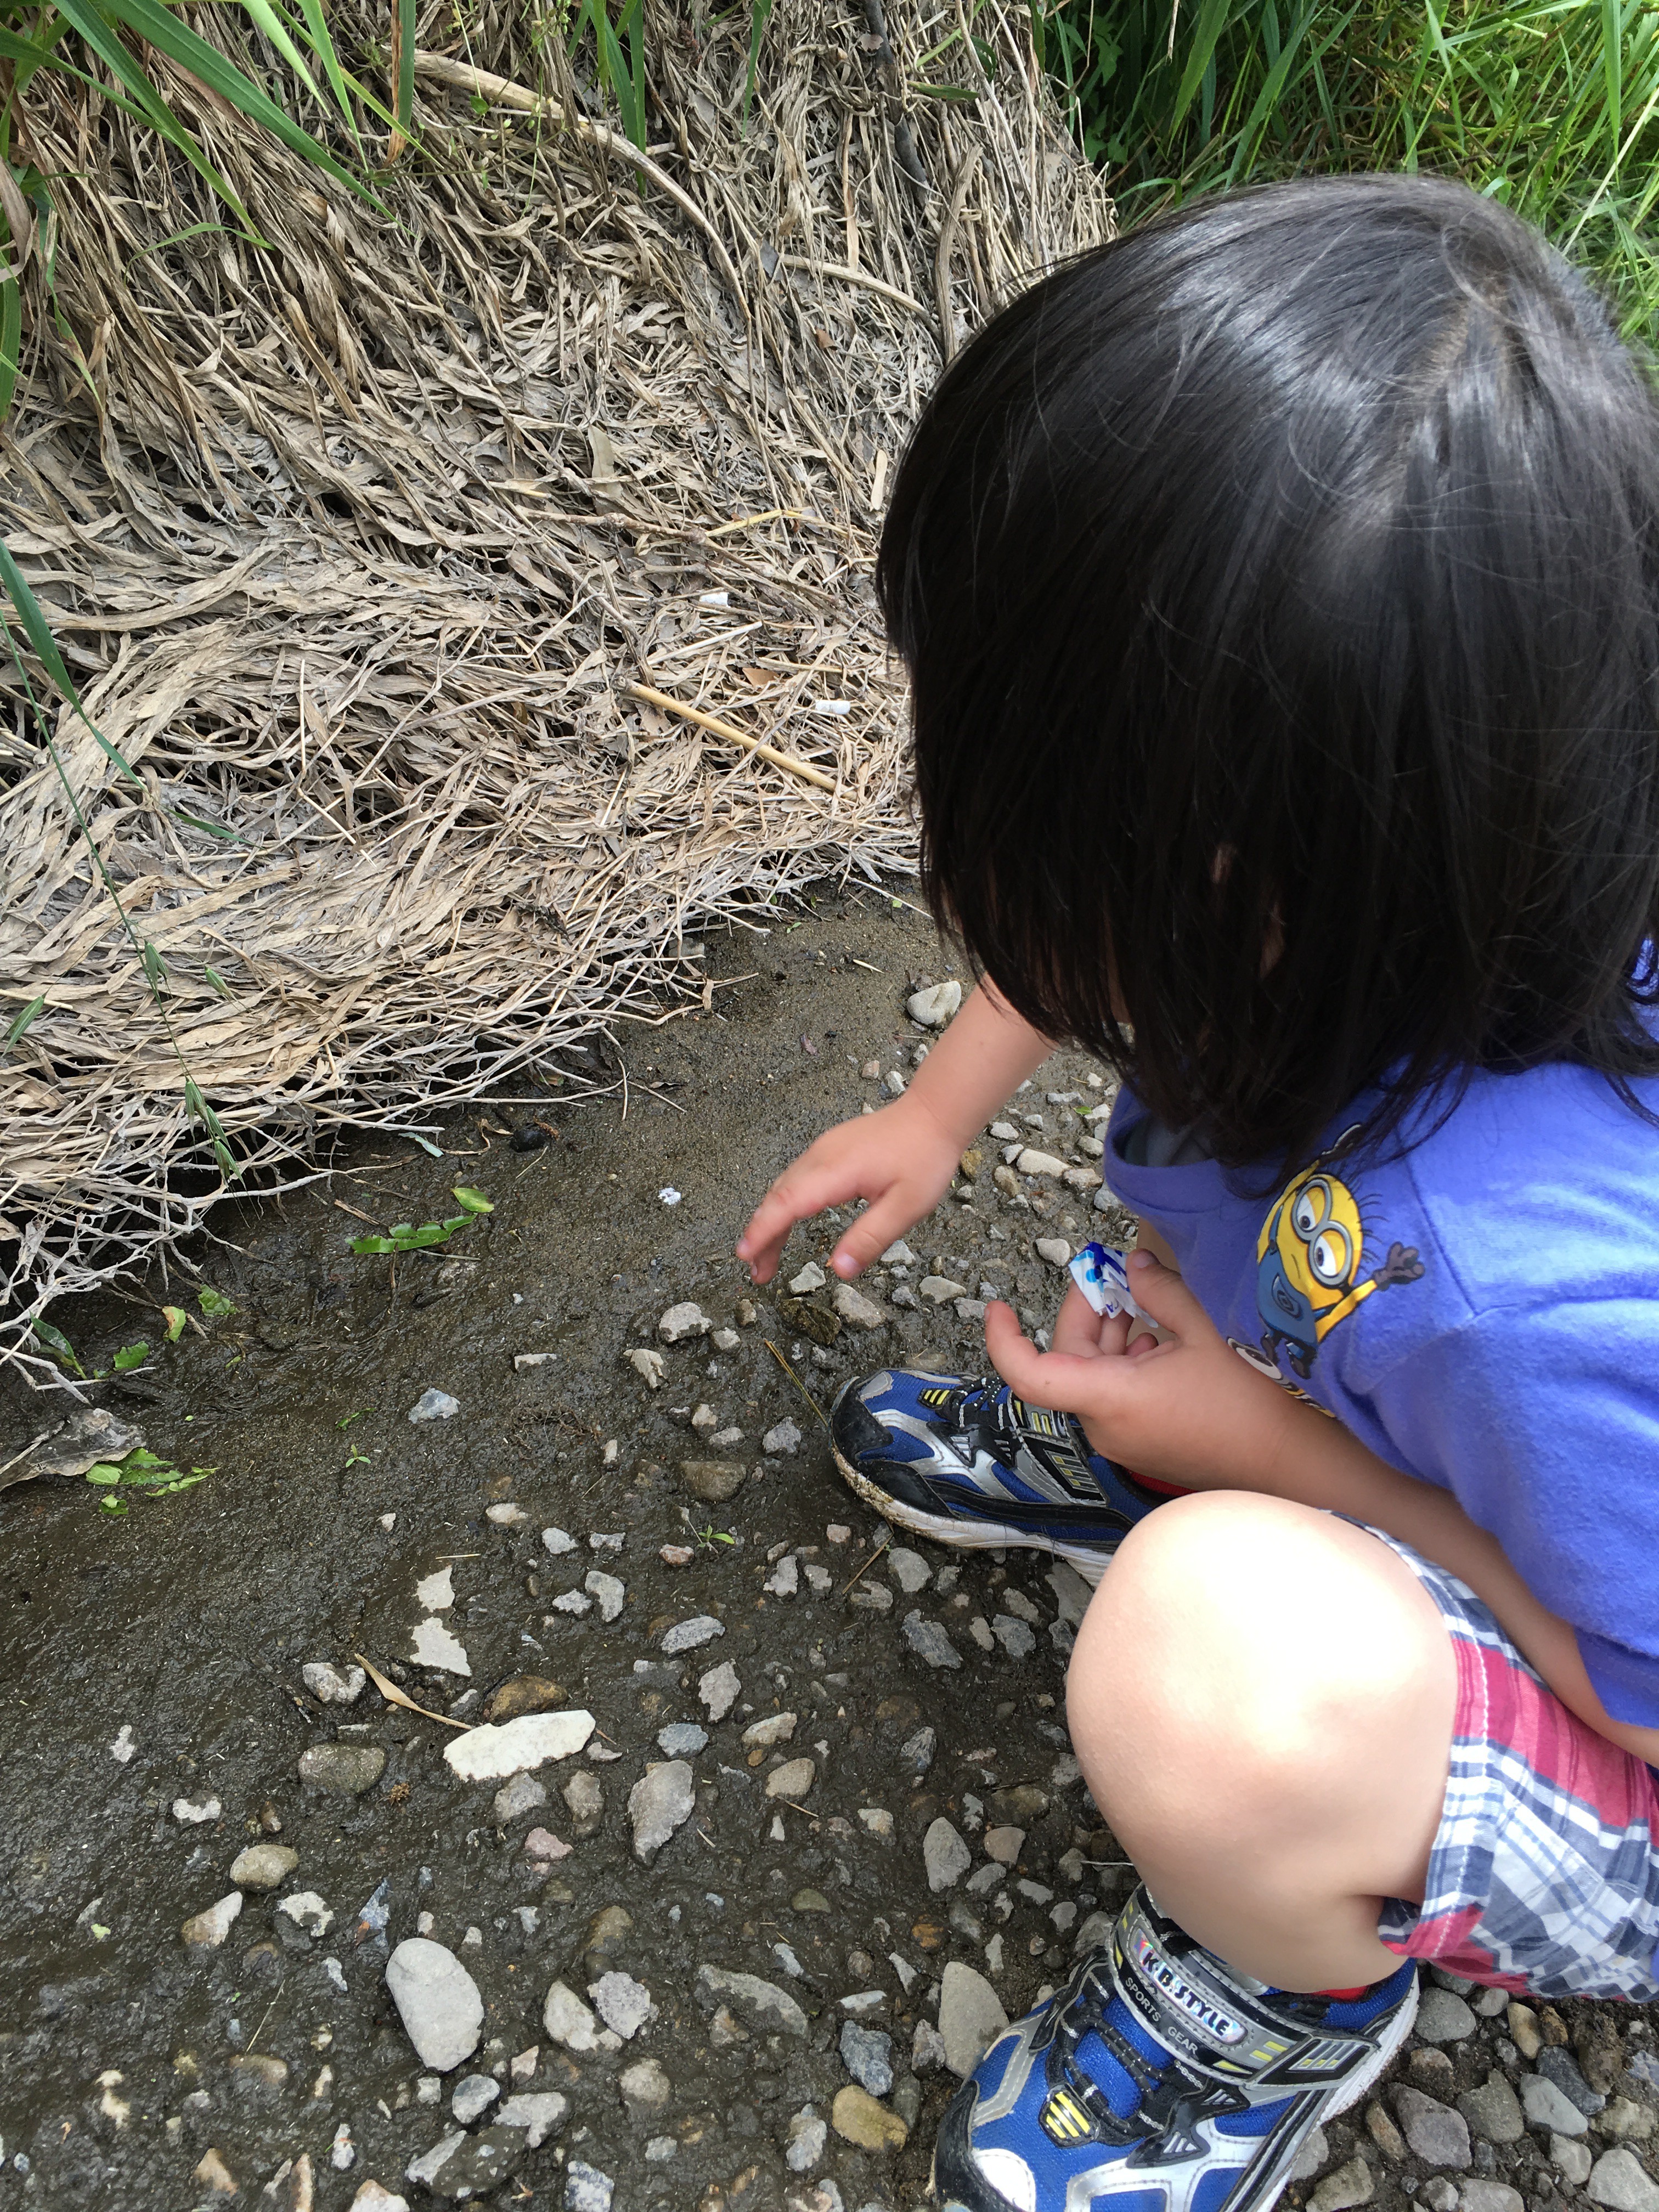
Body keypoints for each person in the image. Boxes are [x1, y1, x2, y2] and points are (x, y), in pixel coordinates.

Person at [736, 176, 1659, 2212]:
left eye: (1030, 819)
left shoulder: (1520, 1298)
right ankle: (1210, 1442)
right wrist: (942, 1108)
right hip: (1453, 1378)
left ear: (1260, 890)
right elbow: (1128, 892)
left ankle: (1289, 1983)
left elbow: (1642, 1684)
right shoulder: (1430, 858)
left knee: (1202, 1667)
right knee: (1189, 1253)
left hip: (1625, 1673)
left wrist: (1266, 1453)